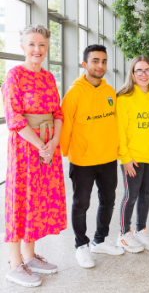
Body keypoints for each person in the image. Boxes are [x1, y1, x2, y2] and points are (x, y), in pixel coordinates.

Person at [2, 24, 67, 287]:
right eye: (31, 44)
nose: (37, 49)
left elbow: (58, 113)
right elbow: (14, 119)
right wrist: (41, 144)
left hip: (47, 148)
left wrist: (53, 142)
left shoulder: (49, 77)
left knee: (37, 201)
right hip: (25, 149)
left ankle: (29, 257)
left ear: (47, 47)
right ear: (22, 47)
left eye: (41, 44)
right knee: (20, 200)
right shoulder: (14, 75)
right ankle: (14, 263)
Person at [60, 44, 124, 269]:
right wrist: (65, 153)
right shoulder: (74, 93)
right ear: (84, 64)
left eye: (104, 61)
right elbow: (65, 126)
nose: (100, 65)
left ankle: (100, 240)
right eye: (95, 61)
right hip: (83, 160)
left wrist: (119, 150)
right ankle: (81, 246)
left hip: (107, 158)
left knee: (108, 201)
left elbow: (115, 123)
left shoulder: (109, 92)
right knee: (81, 204)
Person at [115, 56, 149, 253]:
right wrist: (125, 158)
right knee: (130, 196)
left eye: (147, 70)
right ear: (132, 74)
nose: (143, 74)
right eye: (139, 71)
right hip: (132, 157)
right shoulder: (124, 98)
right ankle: (123, 234)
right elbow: (120, 131)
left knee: (146, 196)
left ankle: (140, 229)